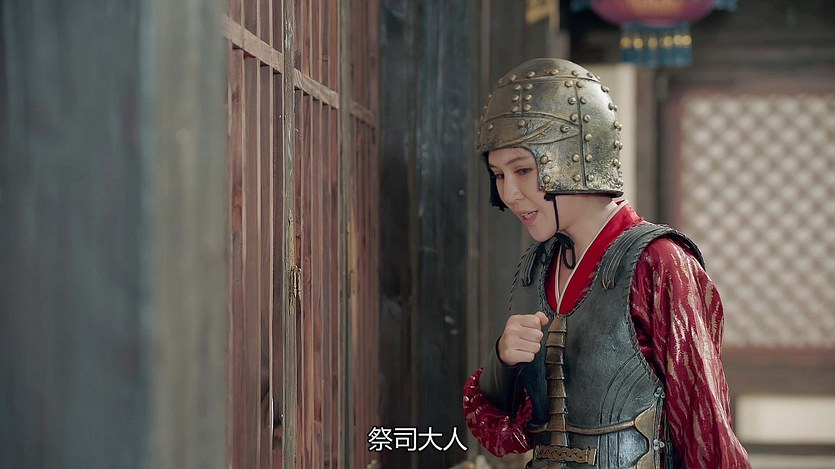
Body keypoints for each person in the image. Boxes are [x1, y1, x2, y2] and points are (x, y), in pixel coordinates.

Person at [462, 58, 751, 469]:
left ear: (575, 158)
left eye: (523, 170)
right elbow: (507, 434)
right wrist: (503, 362)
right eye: (498, 175)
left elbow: (705, 429)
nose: (509, 193)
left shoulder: (660, 263)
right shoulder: (535, 269)